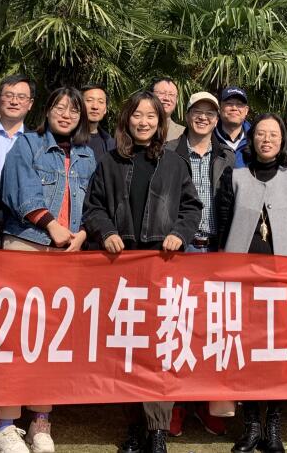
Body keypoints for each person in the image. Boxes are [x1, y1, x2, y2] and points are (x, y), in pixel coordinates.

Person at [83, 91, 202, 453]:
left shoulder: (174, 163)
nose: (144, 122)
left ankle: (158, 430)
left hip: (162, 267)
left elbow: (191, 208)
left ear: (160, 122)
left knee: (160, 349)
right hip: (121, 270)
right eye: (137, 115)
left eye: (151, 116)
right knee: (128, 352)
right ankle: (134, 426)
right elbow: (93, 207)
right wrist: (107, 232)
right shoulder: (109, 162)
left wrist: (180, 234)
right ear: (126, 120)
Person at [0, 87, 96, 453]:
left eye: (74, 110)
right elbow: (17, 191)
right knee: (15, 335)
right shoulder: (28, 144)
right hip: (27, 244)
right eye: (60, 107)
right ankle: (5, 423)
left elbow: (95, 201)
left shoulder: (87, 154)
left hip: (69, 254)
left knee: (54, 339)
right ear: (48, 110)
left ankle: (41, 419)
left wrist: (83, 233)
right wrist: (51, 225)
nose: (66, 114)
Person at [217, 114, 287, 453]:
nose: (266, 140)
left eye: (273, 135)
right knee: (247, 349)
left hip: (281, 281)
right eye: (260, 134)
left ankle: (273, 424)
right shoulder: (235, 176)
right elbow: (223, 225)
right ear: (251, 139)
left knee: (278, 353)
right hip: (241, 281)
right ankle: (252, 423)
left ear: (282, 141)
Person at [164, 91, 235, 438]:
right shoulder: (169, 151)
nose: (203, 117)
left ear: (217, 119)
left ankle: (208, 404)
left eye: (210, 112)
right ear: (187, 114)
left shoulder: (227, 156)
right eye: (197, 111)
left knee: (213, 330)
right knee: (178, 328)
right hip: (180, 249)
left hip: (216, 250)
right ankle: (176, 405)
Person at [0, 74, 35, 183]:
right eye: (8, 95)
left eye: (21, 97)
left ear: (30, 104)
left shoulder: (37, 143)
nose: (14, 102)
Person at [216, 86, 251, 168]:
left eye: (239, 104)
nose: (234, 108)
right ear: (219, 108)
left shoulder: (255, 139)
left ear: (246, 110)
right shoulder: (209, 138)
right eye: (229, 103)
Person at [81, 82, 115, 159]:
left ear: (105, 109)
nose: (95, 107)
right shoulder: (67, 140)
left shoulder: (112, 145)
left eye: (101, 102)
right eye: (89, 100)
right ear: (79, 105)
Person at [150, 77, 185, 141]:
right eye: (162, 93)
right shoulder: (137, 127)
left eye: (171, 94)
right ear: (150, 96)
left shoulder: (184, 133)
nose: (167, 98)